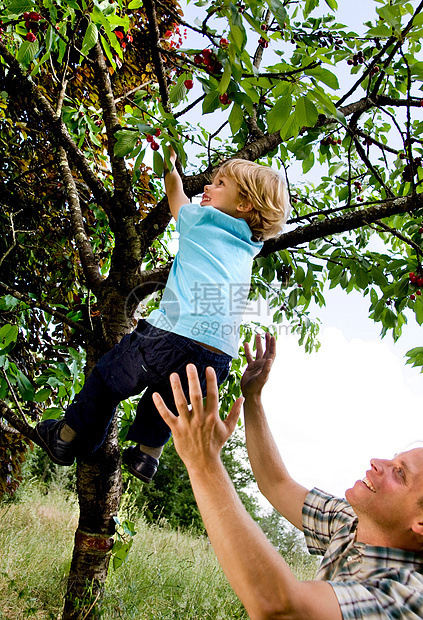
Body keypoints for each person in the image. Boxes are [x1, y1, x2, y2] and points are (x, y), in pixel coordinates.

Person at [35, 150, 290, 483]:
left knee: (107, 379)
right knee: (169, 399)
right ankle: (147, 455)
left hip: (171, 335)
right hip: (218, 356)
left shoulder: (203, 220)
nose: (207, 189)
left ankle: (66, 439)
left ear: (243, 205)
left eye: (219, 183)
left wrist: (169, 165)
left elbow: (176, 194)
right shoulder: (249, 249)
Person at [153, 333, 423, 619]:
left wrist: (203, 463)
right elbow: (276, 484)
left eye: (400, 473)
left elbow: (281, 608)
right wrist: (253, 398)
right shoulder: (349, 522)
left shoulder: (407, 595)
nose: (377, 462)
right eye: (393, 459)